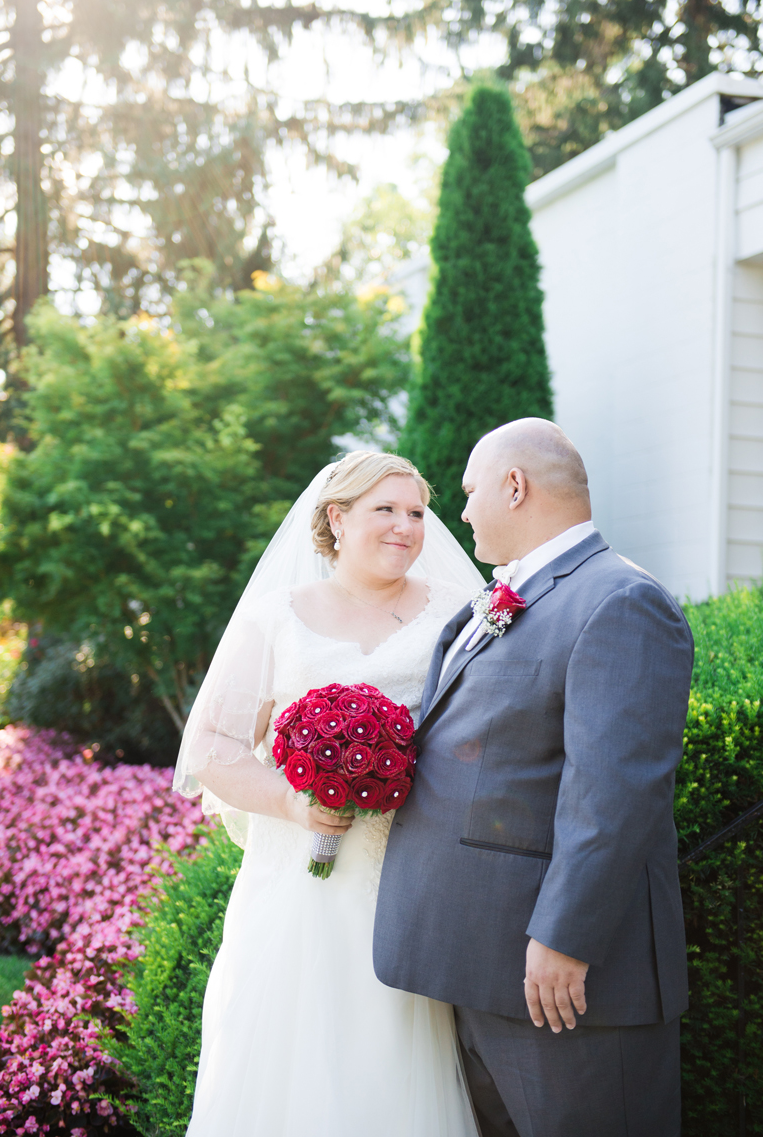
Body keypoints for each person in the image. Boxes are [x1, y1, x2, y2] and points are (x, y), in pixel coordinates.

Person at [373, 418, 694, 1137]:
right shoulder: (514, 594)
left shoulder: (618, 600)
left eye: (469, 490)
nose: (459, 511)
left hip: (565, 983)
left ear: (514, 486)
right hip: (484, 964)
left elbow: (614, 792)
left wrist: (564, 938)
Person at [173, 450, 484, 1137]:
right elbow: (214, 746)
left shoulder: (456, 614)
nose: (406, 526)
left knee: (391, 1064)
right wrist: (293, 801)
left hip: (409, 883)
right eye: (387, 510)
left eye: (416, 512)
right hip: (297, 891)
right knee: (290, 1064)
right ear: (337, 518)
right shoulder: (277, 615)